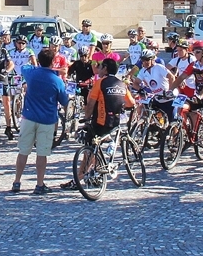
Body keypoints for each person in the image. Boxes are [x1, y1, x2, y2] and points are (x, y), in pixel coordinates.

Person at [65, 58, 135, 190]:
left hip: (100, 121)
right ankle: (96, 174)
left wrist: (85, 120)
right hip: (115, 122)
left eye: (101, 66)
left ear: (106, 69)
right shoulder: (121, 84)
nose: (98, 69)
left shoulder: (100, 82)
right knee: (97, 148)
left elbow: (90, 104)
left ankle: (78, 179)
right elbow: (131, 103)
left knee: (89, 150)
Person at [11, 50, 68, 195]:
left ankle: (17, 181)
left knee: (23, 151)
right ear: (52, 62)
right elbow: (64, 100)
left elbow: (24, 67)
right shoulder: (56, 80)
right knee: (42, 153)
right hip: (47, 120)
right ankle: (39, 184)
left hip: (29, 117)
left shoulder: (32, 73)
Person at [170, 41, 203, 166]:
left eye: (197, 52)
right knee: (182, 107)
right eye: (194, 52)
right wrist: (169, 90)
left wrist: (200, 96)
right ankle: (188, 131)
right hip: (196, 96)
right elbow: (181, 78)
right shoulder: (194, 65)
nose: (195, 54)